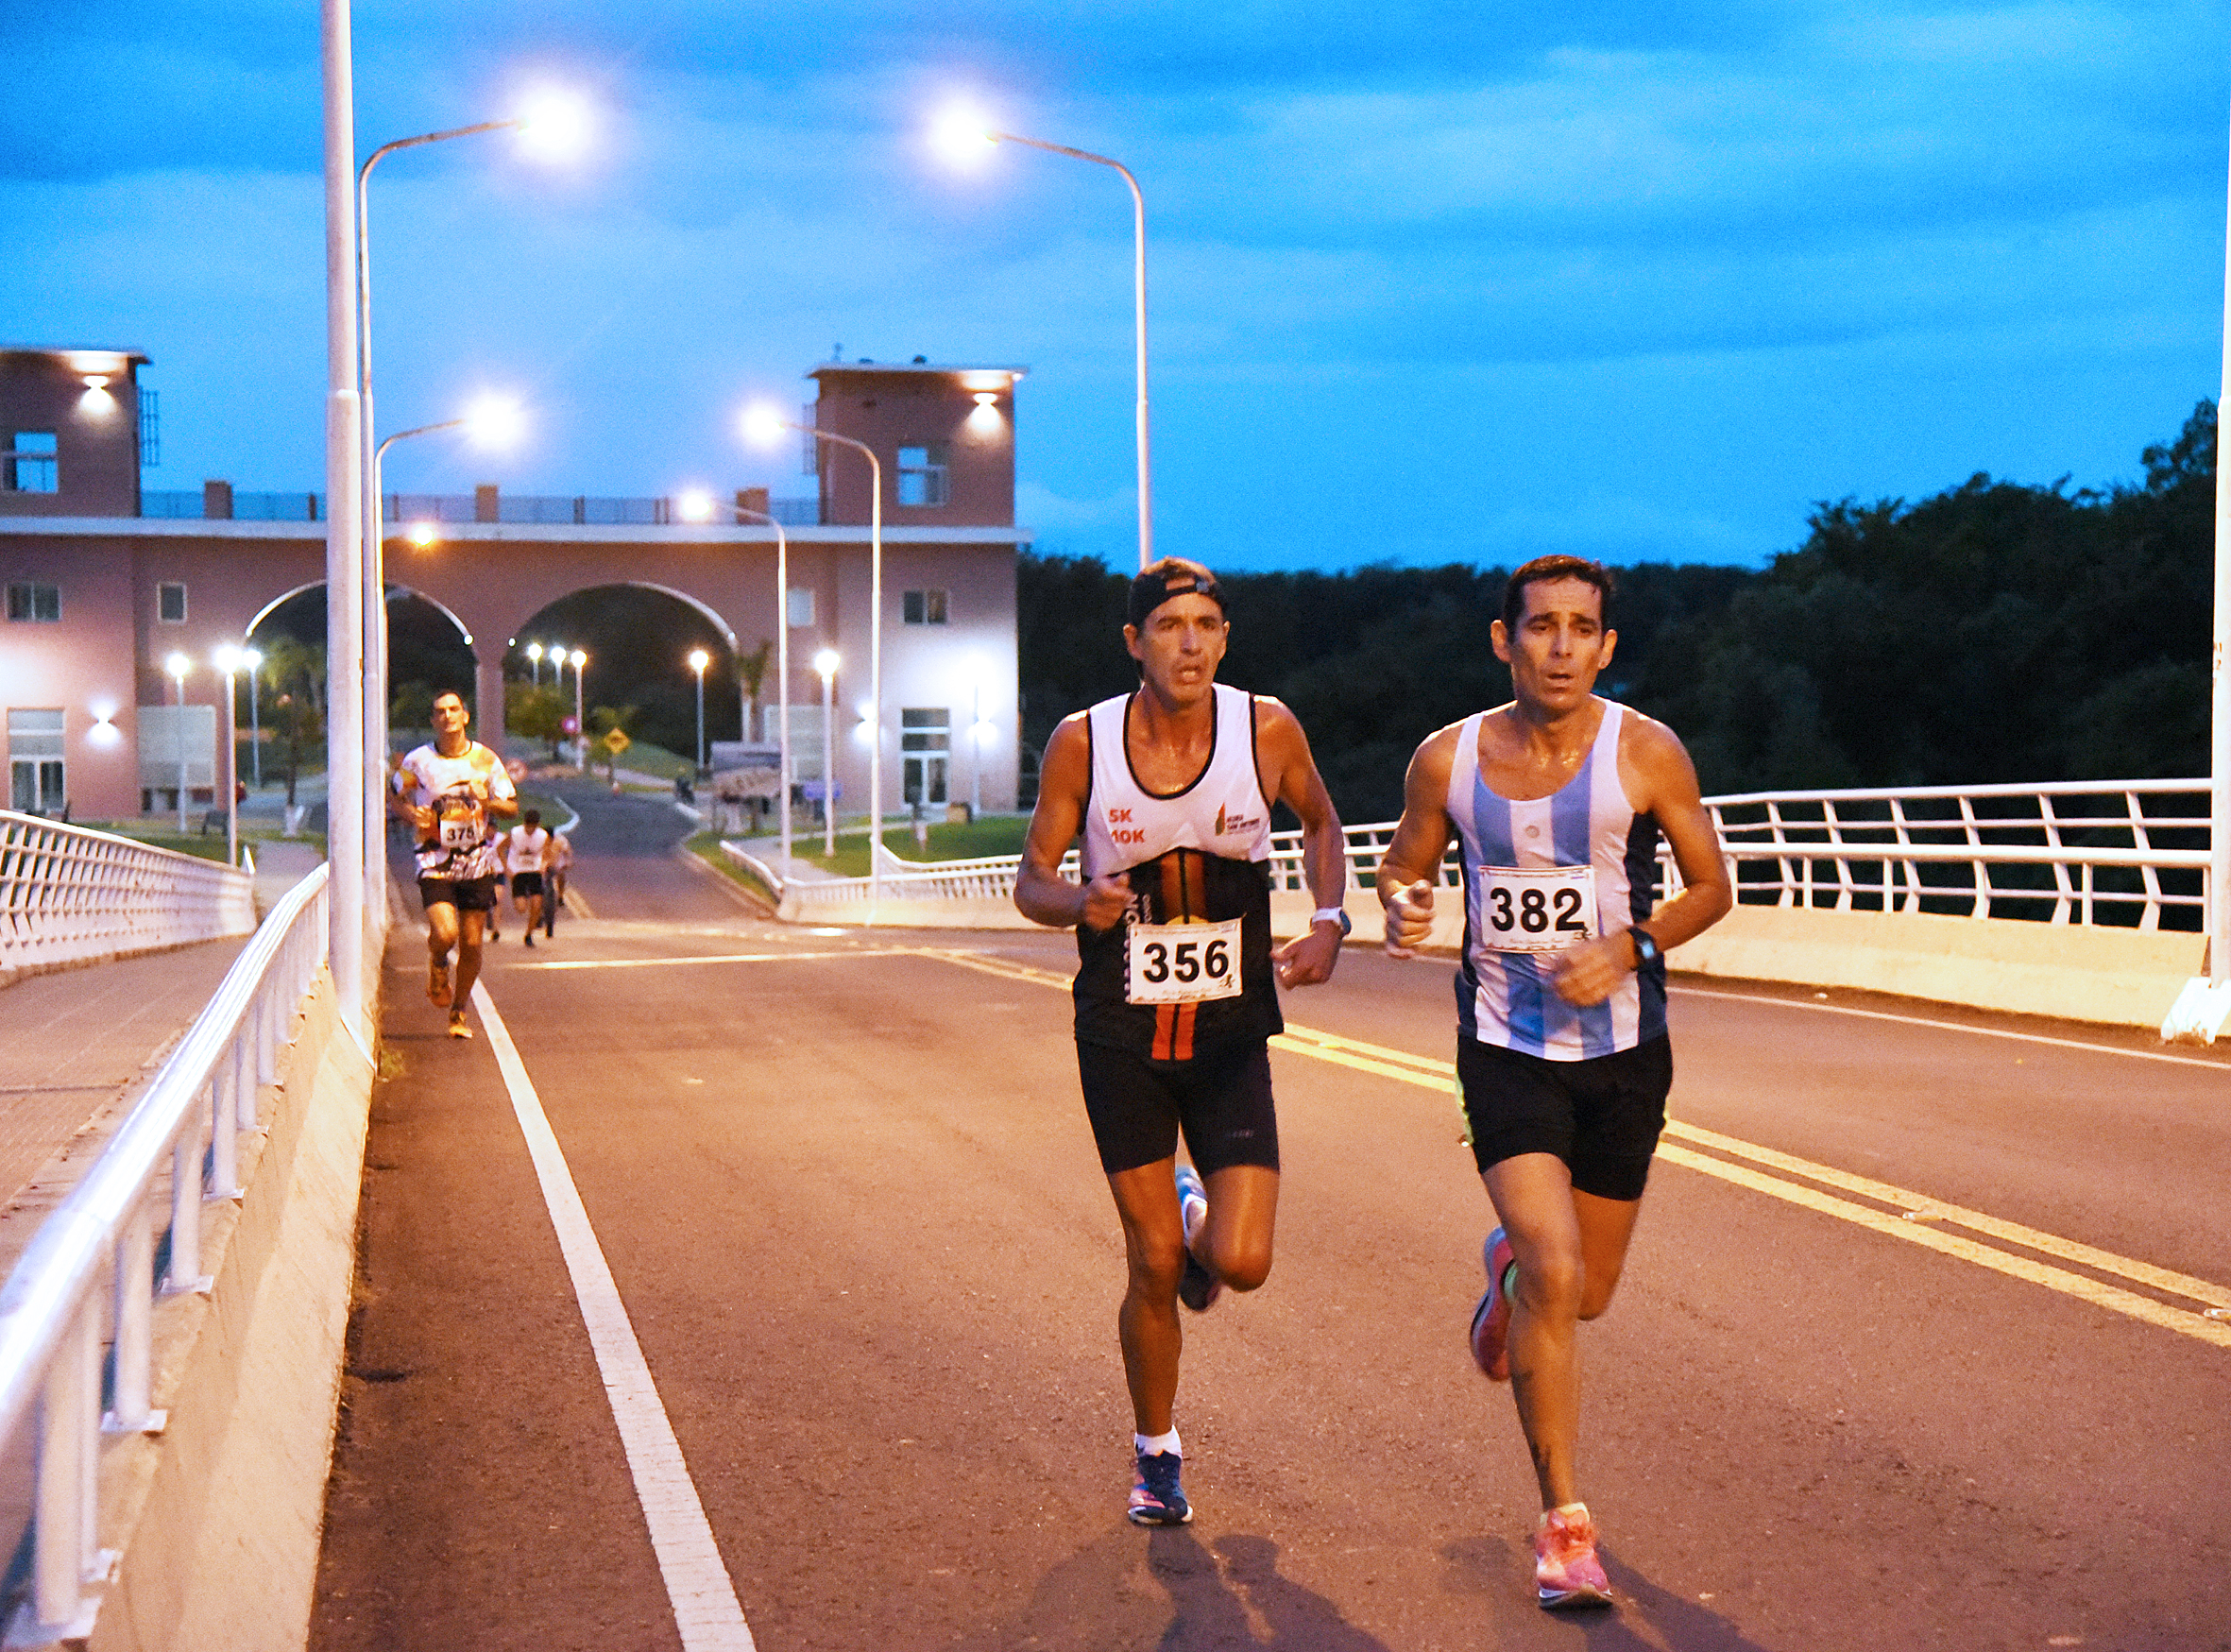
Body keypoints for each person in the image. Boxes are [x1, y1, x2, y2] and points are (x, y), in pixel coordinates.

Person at [1374, 554, 1731, 1609]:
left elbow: (1714, 887)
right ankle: (1565, 1526)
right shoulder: (1446, 761)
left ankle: (1507, 1276)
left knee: (1587, 1293)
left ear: (1606, 646)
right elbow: (1405, 863)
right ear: (1504, 640)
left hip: (1624, 1055)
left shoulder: (1647, 751)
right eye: (1540, 627)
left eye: (1582, 628)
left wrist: (1628, 948)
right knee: (1557, 1268)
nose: (1561, 646)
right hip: (1504, 1047)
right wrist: (1401, 901)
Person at [1014, 556, 1352, 1529]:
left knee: (1239, 1263)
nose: (1191, 643)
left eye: (1207, 624)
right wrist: (1079, 899)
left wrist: (1328, 918)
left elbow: (1323, 821)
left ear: (1225, 638)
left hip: (1231, 1030)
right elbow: (1032, 879)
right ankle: (1155, 1452)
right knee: (1153, 1262)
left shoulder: (1267, 728)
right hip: (1118, 1030)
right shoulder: (1084, 744)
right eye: (1170, 627)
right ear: (1134, 642)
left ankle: (1199, 1212)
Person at [389, 690, 518, 1038]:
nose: (446, 716)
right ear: (433, 720)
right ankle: (437, 961)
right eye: (439, 712)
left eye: (453, 710)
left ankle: (459, 1011)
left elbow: (511, 807)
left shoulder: (485, 760)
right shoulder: (418, 761)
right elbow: (394, 793)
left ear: (465, 716)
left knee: (473, 943)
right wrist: (407, 813)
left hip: (476, 859)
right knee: (446, 933)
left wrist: (486, 801)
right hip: (434, 858)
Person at [504, 808, 553, 948]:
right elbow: (500, 849)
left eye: (533, 827)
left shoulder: (543, 836)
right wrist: (506, 868)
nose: (530, 830)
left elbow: (548, 853)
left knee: (537, 905)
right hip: (518, 871)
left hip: (534, 871)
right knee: (521, 908)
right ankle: (523, 901)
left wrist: (544, 863)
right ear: (524, 823)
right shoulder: (515, 833)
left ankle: (529, 934)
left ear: (537, 825)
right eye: (528, 826)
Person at [542, 824, 572, 937]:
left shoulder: (560, 840)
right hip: (542, 866)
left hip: (556, 865)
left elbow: (567, 852)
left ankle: (560, 896)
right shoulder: (538, 841)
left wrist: (568, 861)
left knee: (561, 875)